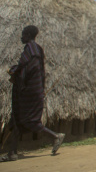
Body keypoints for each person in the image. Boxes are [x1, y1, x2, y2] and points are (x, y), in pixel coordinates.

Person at [1, 25, 65, 162]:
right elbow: (26, 67)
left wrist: (15, 72)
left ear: (29, 35)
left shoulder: (31, 50)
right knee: (18, 119)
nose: (21, 37)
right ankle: (12, 153)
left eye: (23, 34)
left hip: (31, 92)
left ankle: (55, 136)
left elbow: (28, 69)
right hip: (28, 91)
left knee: (29, 120)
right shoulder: (35, 50)